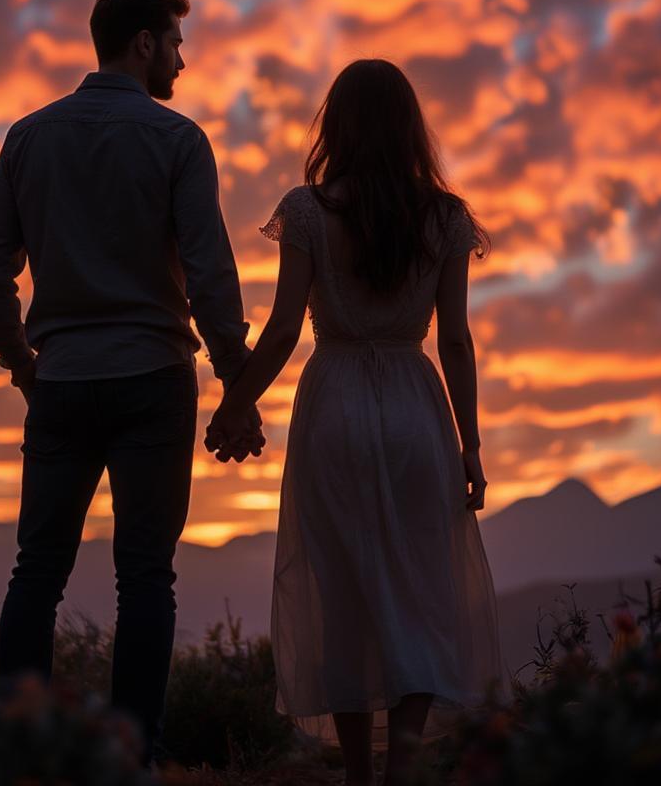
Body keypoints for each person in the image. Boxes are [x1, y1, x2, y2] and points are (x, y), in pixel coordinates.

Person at [0, 0, 264, 769]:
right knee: (146, 578)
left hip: (62, 382)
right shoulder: (177, 140)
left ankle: (23, 751)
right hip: (151, 379)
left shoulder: (28, 137)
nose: (182, 59)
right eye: (175, 42)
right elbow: (210, 280)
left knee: (37, 573)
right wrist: (239, 385)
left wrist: (24, 364)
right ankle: (133, 759)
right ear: (144, 43)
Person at [205, 58, 510, 786]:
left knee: (340, 592)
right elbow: (457, 341)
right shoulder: (445, 217)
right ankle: (401, 763)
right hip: (416, 406)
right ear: (411, 128)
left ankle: (358, 777)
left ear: (335, 125)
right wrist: (471, 446)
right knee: (419, 588)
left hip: (334, 405)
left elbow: (282, 330)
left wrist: (235, 401)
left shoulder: (309, 211)